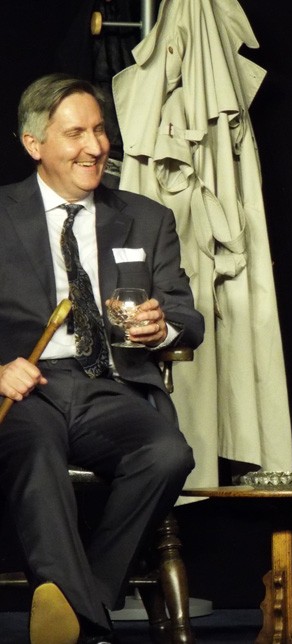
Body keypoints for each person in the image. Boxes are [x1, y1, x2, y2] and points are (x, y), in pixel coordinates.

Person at [0, 74, 204, 643]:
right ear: (34, 143)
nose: (95, 147)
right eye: (76, 134)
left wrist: (161, 329)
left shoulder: (146, 217)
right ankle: (90, 623)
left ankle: (78, 604)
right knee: (34, 452)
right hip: (25, 390)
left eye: (99, 130)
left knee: (167, 454)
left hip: (109, 385)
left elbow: (187, 317)